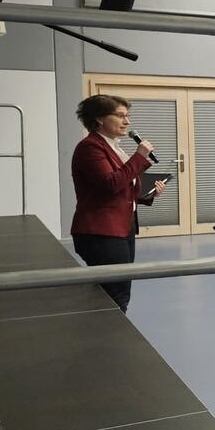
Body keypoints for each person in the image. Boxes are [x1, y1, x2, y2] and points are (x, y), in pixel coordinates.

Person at [70, 94, 165, 312]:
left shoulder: (113, 147)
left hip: (122, 228)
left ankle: (105, 332)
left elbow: (123, 187)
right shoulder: (90, 148)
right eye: (121, 116)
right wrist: (139, 157)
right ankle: (110, 338)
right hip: (101, 232)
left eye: (127, 116)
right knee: (116, 293)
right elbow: (110, 184)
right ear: (100, 119)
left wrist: (148, 193)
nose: (127, 122)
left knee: (116, 288)